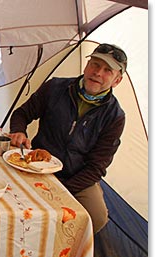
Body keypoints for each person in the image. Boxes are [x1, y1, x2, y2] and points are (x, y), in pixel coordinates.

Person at [9, 43, 127, 234]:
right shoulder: (56, 87)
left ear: (117, 80)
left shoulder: (115, 117)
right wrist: (19, 131)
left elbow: (97, 167)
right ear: (86, 66)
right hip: (37, 165)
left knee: (96, 218)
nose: (98, 72)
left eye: (107, 70)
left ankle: (63, 250)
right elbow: (22, 113)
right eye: (95, 65)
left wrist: (62, 190)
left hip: (77, 177)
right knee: (12, 201)